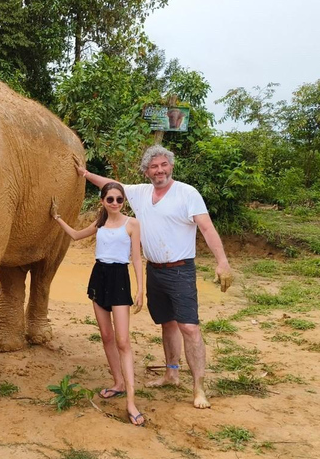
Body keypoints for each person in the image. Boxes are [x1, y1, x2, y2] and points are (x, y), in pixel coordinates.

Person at [77, 145, 233, 409]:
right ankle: (171, 373)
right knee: (167, 323)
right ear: (146, 170)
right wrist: (85, 173)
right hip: (155, 271)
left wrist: (223, 262)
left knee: (189, 327)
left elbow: (206, 227)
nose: (159, 170)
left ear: (171, 166)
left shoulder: (187, 193)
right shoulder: (140, 193)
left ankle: (199, 388)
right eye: (153, 166)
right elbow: (111, 185)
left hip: (181, 269)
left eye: (163, 165)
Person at [52, 183, 146, 426]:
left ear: (123, 202)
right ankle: (118, 383)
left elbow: (136, 258)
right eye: (110, 199)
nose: (115, 203)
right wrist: (57, 218)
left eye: (119, 200)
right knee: (106, 335)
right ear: (103, 201)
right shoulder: (100, 223)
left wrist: (141, 289)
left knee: (123, 341)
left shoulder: (132, 224)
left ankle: (131, 402)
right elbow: (75, 235)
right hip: (99, 276)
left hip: (119, 278)